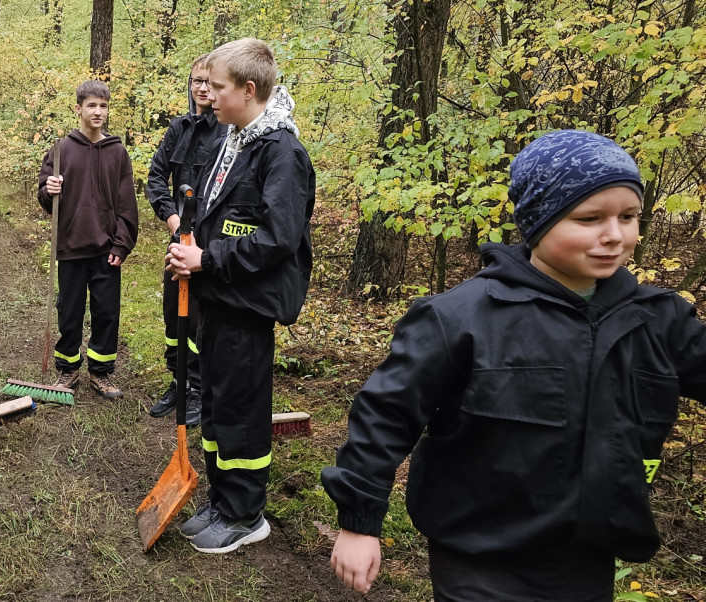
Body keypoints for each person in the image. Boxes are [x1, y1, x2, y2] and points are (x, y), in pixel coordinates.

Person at [321, 130, 706, 600]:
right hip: (479, 557)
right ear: (538, 222)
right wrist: (359, 524)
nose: (614, 235)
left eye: (628, 217)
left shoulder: (660, 319)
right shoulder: (460, 318)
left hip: (588, 556)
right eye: (589, 218)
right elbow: (383, 416)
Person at [166, 38, 315, 554]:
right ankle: (222, 498)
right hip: (217, 298)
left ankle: (246, 513)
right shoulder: (236, 140)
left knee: (241, 410)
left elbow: (277, 238)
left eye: (219, 87)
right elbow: (216, 212)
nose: (207, 94)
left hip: (247, 304)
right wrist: (190, 244)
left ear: (248, 90)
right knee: (215, 402)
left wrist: (208, 259)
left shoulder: (282, 153)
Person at [38, 80, 139, 400]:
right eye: (92, 105)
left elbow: (127, 203)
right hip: (70, 245)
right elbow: (44, 194)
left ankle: (101, 372)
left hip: (106, 248)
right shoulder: (61, 150)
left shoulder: (118, 152)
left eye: (103, 106)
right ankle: (67, 370)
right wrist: (48, 190)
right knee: (69, 311)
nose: (98, 111)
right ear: (78, 109)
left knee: (106, 312)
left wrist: (121, 244)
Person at [146, 54, 228, 425]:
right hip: (179, 239)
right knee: (172, 315)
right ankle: (178, 381)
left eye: (210, 82)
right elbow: (156, 178)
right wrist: (174, 220)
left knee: (198, 318)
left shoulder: (227, 130)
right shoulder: (177, 128)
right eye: (197, 81)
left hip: (210, 245)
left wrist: (201, 237)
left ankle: (198, 388)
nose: (203, 88)